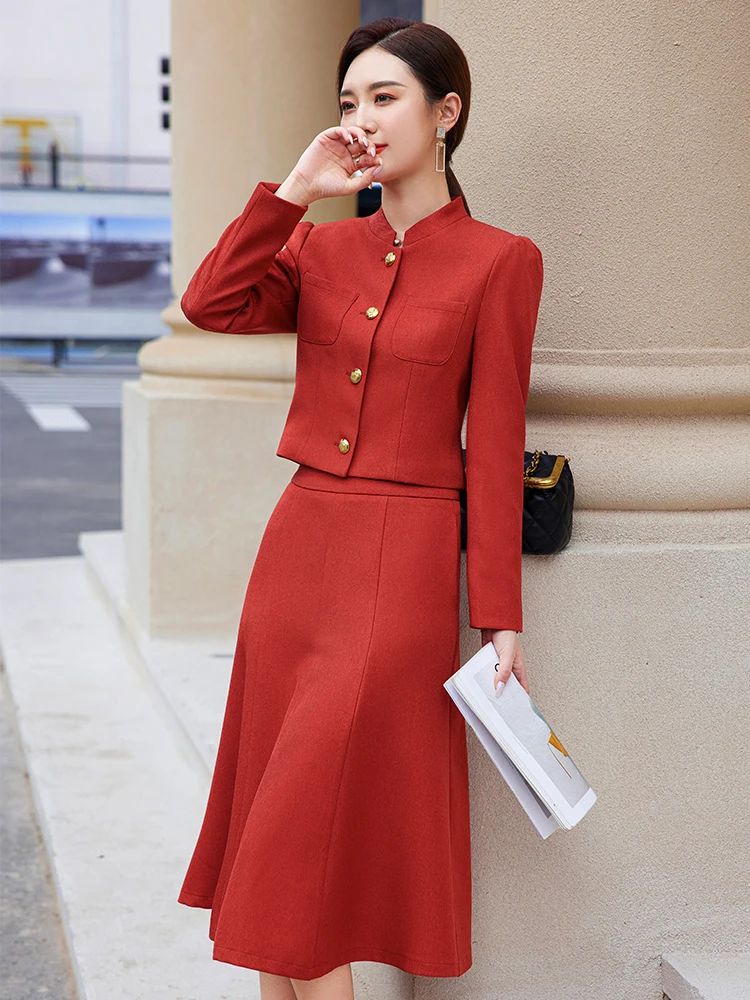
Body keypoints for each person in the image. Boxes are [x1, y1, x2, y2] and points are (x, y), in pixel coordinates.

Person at [177, 15, 543, 1000]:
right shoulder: (320, 252)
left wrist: (501, 613)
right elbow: (209, 304)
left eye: (385, 98)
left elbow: (498, 444)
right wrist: (296, 192)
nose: (364, 120)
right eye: (350, 103)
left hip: (404, 560)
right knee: (277, 840)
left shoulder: (501, 261)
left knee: (306, 838)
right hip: (298, 550)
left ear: (447, 112)